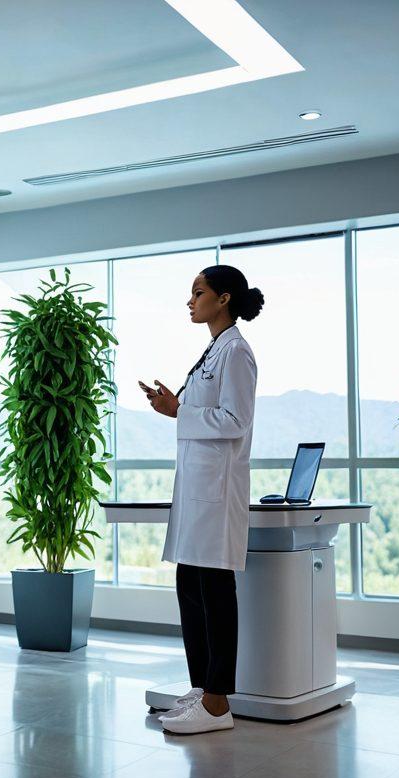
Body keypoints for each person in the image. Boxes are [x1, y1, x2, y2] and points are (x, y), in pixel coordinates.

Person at [139, 265, 263, 735]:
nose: (190, 302)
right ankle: (201, 688)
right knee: (190, 587)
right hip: (197, 491)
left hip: (217, 492)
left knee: (215, 591)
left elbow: (236, 420)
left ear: (224, 298)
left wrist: (181, 410)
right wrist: (175, 408)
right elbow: (202, 412)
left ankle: (217, 703)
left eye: (198, 292)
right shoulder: (214, 350)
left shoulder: (237, 352)